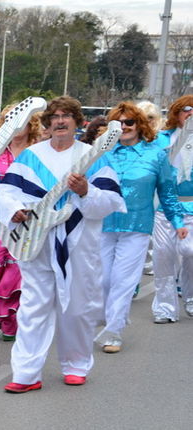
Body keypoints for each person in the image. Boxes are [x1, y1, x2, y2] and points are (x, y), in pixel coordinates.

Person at [0, 96, 126, 393]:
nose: (60, 120)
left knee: (78, 308)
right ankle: (26, 374)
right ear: (47, 122)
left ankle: (77, 365)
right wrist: (13, 210)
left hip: (80, 244)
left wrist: (85, 191)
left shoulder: (96, 156)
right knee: (32, 307)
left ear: (78, 122)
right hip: (36, 242)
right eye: (54, 116)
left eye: (67, 115)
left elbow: (111, 202)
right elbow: (5, 193)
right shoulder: (30, 156)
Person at [96, 101, 185, 353]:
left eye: (129, 122)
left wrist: (177, 222)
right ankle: (114, 316)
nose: (124, 127)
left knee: (123, 281)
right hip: (103, 224)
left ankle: (113, 332)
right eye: (118, 123)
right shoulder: (101, 153)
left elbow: (167, 193)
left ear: (140, 124)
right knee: (103, 280)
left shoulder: (156, 155)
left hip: (137, 226)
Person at [0, 105, 42, 346]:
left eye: (20, 119)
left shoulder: (38, 152)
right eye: (8, 120)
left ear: (31, 124)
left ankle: (9, 321)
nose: (14, 124)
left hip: (31, 222)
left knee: (17, 270)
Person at [152, 96, 193, 322]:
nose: (191, 114)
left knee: (190, 251)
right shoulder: (162, 140)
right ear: (177, 113)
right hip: (165, 207)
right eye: (187, 110)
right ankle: (165, 308)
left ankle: (191, 295)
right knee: (163, 257)